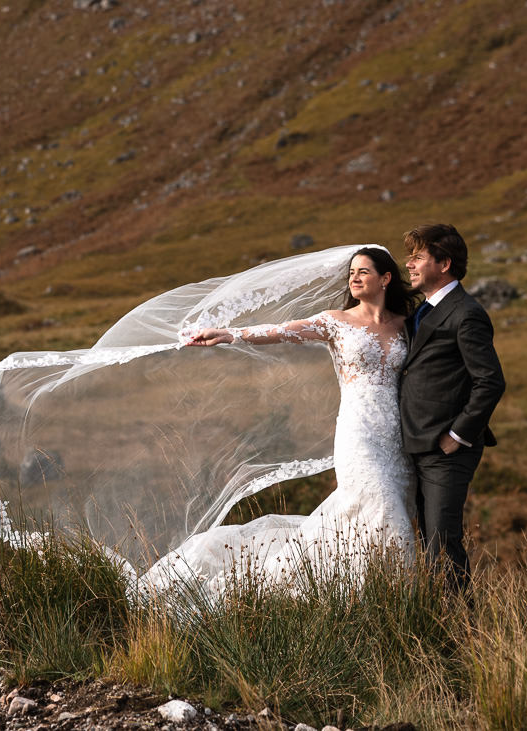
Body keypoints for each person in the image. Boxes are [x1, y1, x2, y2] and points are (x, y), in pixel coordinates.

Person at [136, 246, 419, 595]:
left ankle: (360, 597)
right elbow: (284, 330)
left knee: (379, 515)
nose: (354, 278)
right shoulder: (336, 321)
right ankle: (395, 597)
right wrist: (229, 334)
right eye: (351, 273)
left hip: (398, 436)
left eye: (363, 271)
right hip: (358, 433)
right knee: (382, 505)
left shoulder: (407, 325)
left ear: (386, 278)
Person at [399, 223, 505, 591]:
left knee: (443, 545)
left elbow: (490, 381)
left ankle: (462, 634)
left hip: (446, 450)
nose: (409, 265)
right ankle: (436, 628)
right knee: (426, 545)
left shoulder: (466, 313)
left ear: (443, 263)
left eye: (417, 258)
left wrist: (457, 435)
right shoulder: (421, 311)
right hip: (416, 444)